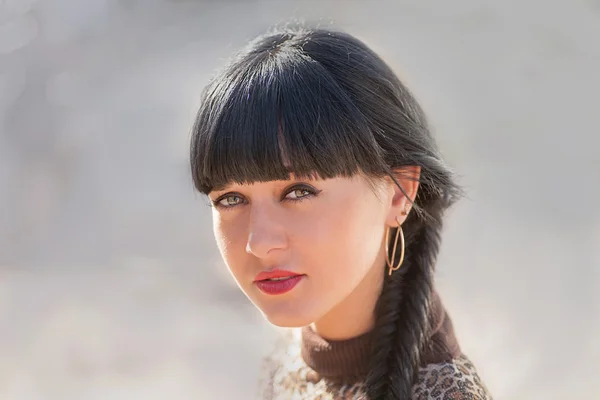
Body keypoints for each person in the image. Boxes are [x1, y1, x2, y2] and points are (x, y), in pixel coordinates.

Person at [190, 25, 492, 400]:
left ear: (400, 194)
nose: (259, 242)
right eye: (231, 199)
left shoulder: (443, 393)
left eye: (298, 192)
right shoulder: (283, 360)